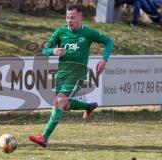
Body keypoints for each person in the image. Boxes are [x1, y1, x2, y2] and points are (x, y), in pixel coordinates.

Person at [29, 4, 114, 148]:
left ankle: (44, 137)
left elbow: (109, 41)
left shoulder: (88, 33)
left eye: (73, 17)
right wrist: (53, 51)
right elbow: (45, 49)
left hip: (77, 74)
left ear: (80, 17)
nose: (69, 20)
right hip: (62, 74)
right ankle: (88, 106)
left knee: (59, 102)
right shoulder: (60, 32)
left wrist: (104, 59)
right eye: (67, 17)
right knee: (65, 104)